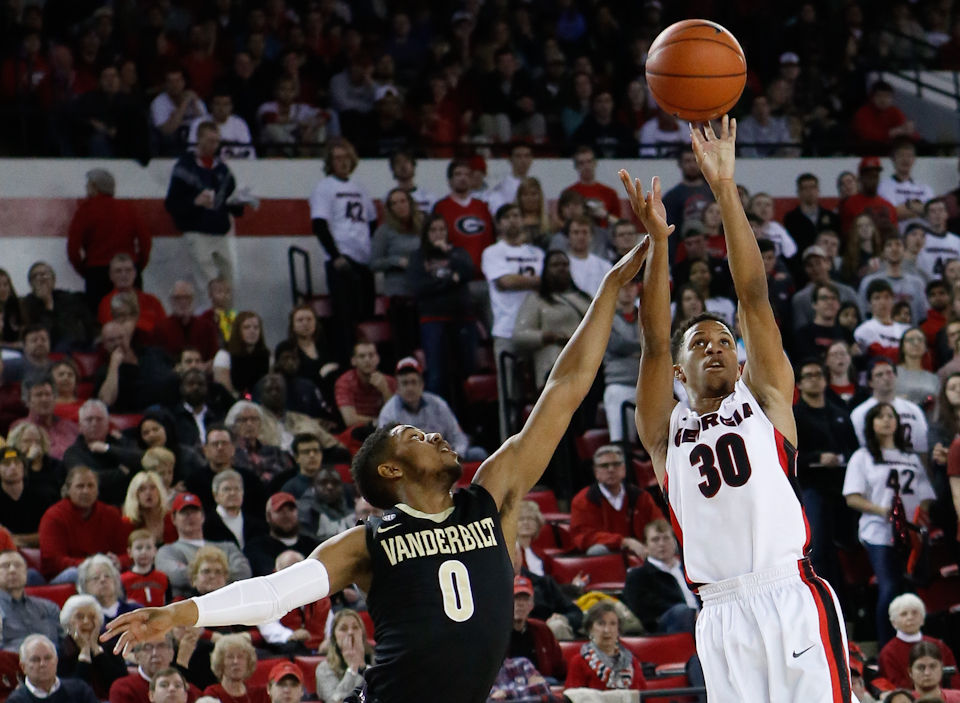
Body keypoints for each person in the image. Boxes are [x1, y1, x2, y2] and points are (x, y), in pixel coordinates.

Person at [101, 237, 649, 703]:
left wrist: (608, 289)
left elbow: (565, 388)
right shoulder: (368, 543)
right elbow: (274, 593)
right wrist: (180, 614)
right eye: (417, 436)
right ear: (390, 468)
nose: (435, 434)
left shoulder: (491, 496)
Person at [625, 115, 852, 700]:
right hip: (719, 612)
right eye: (701, 343)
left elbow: (753, 294)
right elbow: (652, 341)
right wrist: (658, 244)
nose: (717, 347)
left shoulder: (767, 399)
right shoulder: (664, 432)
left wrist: (725, 190)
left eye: (726, 340)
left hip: (788, 594)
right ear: (680, 373)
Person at [843, 403, 936, 647]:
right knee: (889, 586)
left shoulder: (910, 457)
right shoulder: (862, 457)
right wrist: (883, 511)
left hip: (911, 533)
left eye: (890, 416)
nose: (886, 421)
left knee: (913, 587)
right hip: (879, 531)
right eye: (880, 416)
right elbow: (852, 497)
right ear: (871, 423)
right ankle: (887, 647)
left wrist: (916, 519)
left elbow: (926, 496)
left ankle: (916, 644)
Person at [309, 137, 377, 364]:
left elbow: (372, 221)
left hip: (363, 259)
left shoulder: (360, 188)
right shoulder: (325, 187)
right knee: (345, 317)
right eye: (337, 158)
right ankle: (348, 362)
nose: (343, 162)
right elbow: (319, 224)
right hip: (342, 259)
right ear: (330, 162)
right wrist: (335, 255)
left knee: (365, 315)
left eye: (346, 157)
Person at [483, 204, 545, 440]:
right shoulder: (493, 252)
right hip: (506, 330)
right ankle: (505, 445)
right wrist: (535, 281)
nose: (513, 221)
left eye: (516, 215)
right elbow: (504, 282)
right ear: (499, 224)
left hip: (535, 329)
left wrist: (526, 281)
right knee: (508, 396)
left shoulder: (537, 253)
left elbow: (547, 282)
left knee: (543, 392)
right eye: (507, 217)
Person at [164, 121, 241, 302]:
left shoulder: (223, 170)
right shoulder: (184, 167)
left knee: (230, 282)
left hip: (220, 232)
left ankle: (228, 326)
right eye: (209, 140)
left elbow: (230, 201)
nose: (213, 145)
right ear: (198, 139)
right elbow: (171, 204)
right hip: (197, 231)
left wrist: (240, 202)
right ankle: (211, 323)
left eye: (216, 141)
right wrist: (194, 202)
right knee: (208, 282)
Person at [406, 214, 477, 400]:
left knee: (467, 372)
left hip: (462, 318)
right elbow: (418, 286)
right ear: (426, 233)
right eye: (433, 230)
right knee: (437, 374)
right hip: (433, 319)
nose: (438, 234)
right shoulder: (418, 256)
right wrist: (450, 280)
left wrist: (448, 256)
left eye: (442, 230)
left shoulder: (457, 253)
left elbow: (468, 271)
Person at [67, 168, 152, 313]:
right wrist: (136, 267)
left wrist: (86, 271)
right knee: (134, 316)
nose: (86, 188)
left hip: (97, 274)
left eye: (88, 185)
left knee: (99, 320)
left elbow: (72, 249)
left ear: (94, 187)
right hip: (128, 270)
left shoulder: (85, 210)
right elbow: (146, 242)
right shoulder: (128, 208)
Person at [377, 357, 485, 460]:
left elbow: (458, 438)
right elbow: (386, 449)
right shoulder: (388, 413)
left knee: (478, 453)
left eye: (414, 382)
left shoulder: (438, 404)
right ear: (397, 388)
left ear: (422, 385)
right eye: (405, 383)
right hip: (410, 464)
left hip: (441, 458)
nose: (410, 388)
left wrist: (456, 456)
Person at [512, 251, 592, 389]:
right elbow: (519, 335)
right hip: (553, 363)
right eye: (555, 265)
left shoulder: (584, 298)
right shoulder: (536, 300)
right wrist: (547, 337)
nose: (561, 268)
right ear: (546, 270)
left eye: (565, 264)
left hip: (586, 363)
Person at [38, 466, 130, 583]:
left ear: (97, 490)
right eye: (80, 486)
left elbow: (127, 553)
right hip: (66, 577)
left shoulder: (111, 514)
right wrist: (93, 565)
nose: (86, 491)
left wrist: (119, 561)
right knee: (75, 573)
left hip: (106, 572)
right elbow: (53, 561)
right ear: (68, 490)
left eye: (90, 486)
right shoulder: (54, 516)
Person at [570, 444, 663, 558]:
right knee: (596, 551)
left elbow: (659, 524)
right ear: (596, 472)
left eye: (616, 464)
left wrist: (652, 544)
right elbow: (583, 537)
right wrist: (623, 541)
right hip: (609, 553)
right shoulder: (583, 500)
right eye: (604, 466)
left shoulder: (640, 496)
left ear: (624, 469)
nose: (611, 469)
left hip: (642, 551)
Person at [155, 493, 252, 599]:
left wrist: (200, 574)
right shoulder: (167, 551)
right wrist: (221, 574)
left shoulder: (228, 547)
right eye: (184, 513)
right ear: (173, 518)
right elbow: (176, 577)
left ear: (202, 516)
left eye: (194, 512)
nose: (190, 517)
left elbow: (244, 572)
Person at [622, 519, 699, 634]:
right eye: (655, 540)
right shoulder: (638, 576)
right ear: (646, 546)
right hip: (665, 628)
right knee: (681, 612)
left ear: (674, 541)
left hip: (701, 619)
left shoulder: (691, 569)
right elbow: (644, 610)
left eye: (666, 538)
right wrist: (691, 614)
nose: (662, 544)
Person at [64, 399, 139, 505]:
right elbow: (87, 478)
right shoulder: (72, 453)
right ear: (80, 427)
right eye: (89, 419)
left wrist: (108, 449)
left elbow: (142, 459)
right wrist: (121, 472)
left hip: (128, 503)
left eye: (99, 419)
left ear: (108, 424)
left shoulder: (120, 442)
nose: (94, 423)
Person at [878, 593, 958, 689]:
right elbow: (895, 685)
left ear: (923, 619)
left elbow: (955, 678)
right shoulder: (888, 652)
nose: (910, 617)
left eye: (915, 613)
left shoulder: (939, 645)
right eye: (904, 614)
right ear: (894, 622)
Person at [564, 602, 647, 691]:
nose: (607, 630)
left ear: (618, 629)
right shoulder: (579, 662)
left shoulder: (632, 662)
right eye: (601, 624)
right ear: (590, 628)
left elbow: (643, 696)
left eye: (613, 624)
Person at [57, 594, 128, 698]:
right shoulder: (61, 651)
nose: (86, 621)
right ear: (68, 623)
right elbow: (73, 692)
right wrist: (85, 652)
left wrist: (96, 649)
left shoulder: (111, 647)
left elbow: (119, 685)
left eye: (92, 617)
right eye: (80, 617)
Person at [431, 158, 496, 273]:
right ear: (449, 180)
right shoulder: (440, 207)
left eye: (467, 174)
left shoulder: (482, 207)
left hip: (483, 273)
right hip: (454, 275)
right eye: (458, 174)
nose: (463, 178)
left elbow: (491, 239)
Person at [850, 359, 929, 452]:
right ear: (870, 382)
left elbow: (922, 448)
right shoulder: (860, 413)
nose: (886, 378)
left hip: (909, 461)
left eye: (889, 373)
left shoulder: (913, 410)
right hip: (873, 463)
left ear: (896, 376)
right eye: (879, 375)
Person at [20, 262, 97, 353]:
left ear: (53, 280)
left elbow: (83, 324)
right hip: (51, 348)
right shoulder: (27, 305)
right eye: (35, 276)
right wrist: (48, 303)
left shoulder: (69, 298)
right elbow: (47, 334)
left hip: (78, 344)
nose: (40, 278)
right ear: (31, 284)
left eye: (44, 274)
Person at [7, 634, 99, 703]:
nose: (43, 664)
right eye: (35, 660)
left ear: (56, 661)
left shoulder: (80, 690)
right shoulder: (16, 701)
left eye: (47, 658)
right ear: (23, 667)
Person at [244, 493, 319, 577]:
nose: (286, 515)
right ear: (268, 516)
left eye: (290, 509)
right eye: (280, 510)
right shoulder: (256, 548)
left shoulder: (311, 545)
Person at [108, 636, 201, 703]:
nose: (155, 653)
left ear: (171, 654)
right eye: (147, 647)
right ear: (137, 656)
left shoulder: (189, 691)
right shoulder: (123, 688)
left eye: (161, 646)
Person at [0, 551, 60, 652]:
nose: (12, 570)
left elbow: (66, 645)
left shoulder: (49, 607)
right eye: (5, 566)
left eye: (18, 565)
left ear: (26, 572)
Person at [10, 376, 78, 460]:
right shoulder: (19, 428)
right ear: (27, 400)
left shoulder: (70, 427)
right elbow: (12, 460)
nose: (44, 399)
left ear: (55, 398)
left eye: (48, 394)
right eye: (39, 395)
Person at [314, 610, 374, 703]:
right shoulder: (324, 668)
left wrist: (363, 667)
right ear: (334, 637)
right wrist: (352, 669)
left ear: (362, 633)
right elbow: (335, 701)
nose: (350, 632)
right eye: (343, 629)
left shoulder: (376, 661)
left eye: (355, 627)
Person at [156, 282, 219, 362]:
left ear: (193, 300)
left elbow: (214, 358)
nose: (183, 302)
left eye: (187, 297)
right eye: (178, 298)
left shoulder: (207, 328)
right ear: (171, 301)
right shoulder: (161, 329)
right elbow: (157, 361)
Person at [212, 312, 270, 397]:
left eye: (256, 327)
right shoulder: (224, 355)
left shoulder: (265, 355)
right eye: (246, 327)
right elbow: (225, 392)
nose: (252, 331)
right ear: (237, 330)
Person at [783, 173, 841, 256]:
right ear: (799, 192)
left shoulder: (831, 217)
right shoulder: (791, 219)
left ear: (818, 190)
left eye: (812, 187)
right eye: (805, 188)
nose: (810, 191)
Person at [878, 140, 935, 222]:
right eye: (901, 155)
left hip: (922, 233)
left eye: (909, 156)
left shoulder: (925, 188)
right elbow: (892, 213)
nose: (905, 159)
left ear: (914, 160)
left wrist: (906, 207)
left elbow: (933, 213)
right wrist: (919, 208)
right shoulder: (883, 186)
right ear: (893, 159)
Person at [77, 554, 142, 624]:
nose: (102, 580)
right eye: (96, 577)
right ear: (84, 586)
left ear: (115, 580)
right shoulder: (84, 620)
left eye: (107, 576)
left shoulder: (134, 611)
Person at [202, 634, 267, 703]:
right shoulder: (213, 693)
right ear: (220, 662)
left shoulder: (259, 694)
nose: (235, 661)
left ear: (248, 662)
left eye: (240, 657)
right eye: (230, 657)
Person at [122, 529, 169, 608]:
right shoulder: (123, 579)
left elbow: (168, 601)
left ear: (155, 551)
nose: (144, 552)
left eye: (148, 547)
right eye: (139, 548)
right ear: (130, 552)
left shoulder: (163, 577)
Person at [896, 328, 939, 405]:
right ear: (902, 346)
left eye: (920, 340)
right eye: (910, 340)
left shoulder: (933, 379)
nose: (916, 343)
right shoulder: (893, 373)